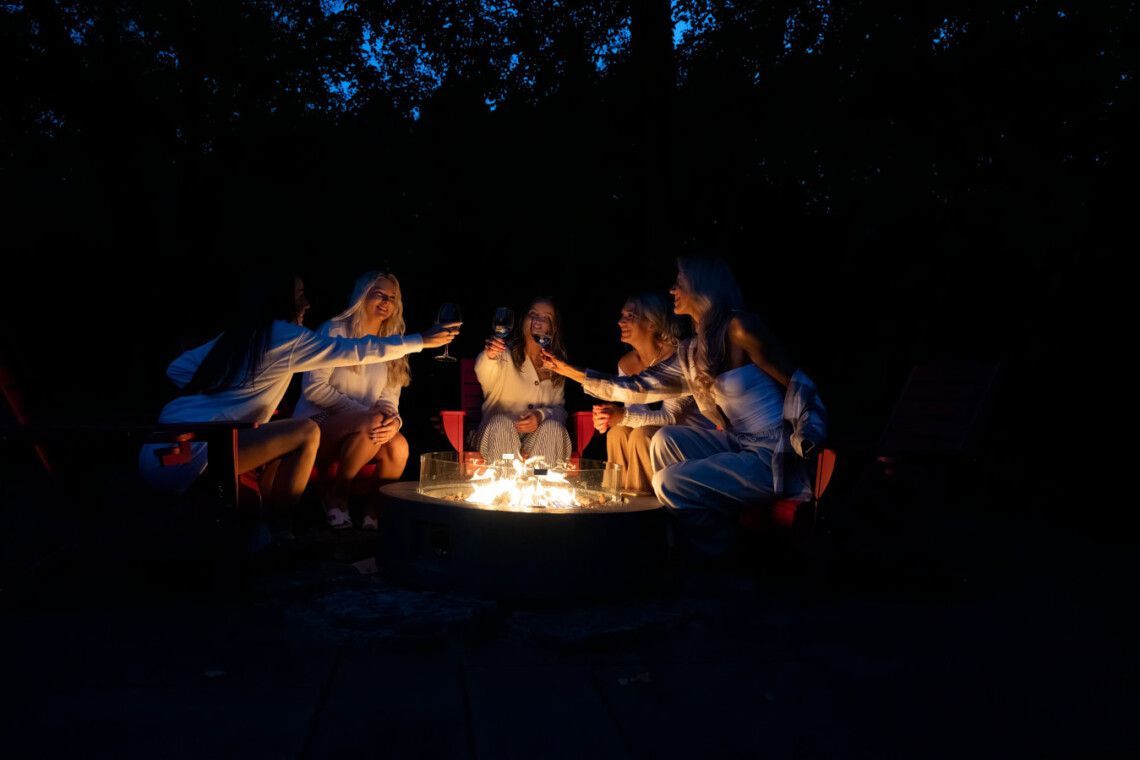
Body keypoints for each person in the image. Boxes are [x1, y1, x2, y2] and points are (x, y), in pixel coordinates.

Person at [541, 256, 826, 560]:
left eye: (679, 282)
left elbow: (799, 383)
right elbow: (639, 387)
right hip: (739, 442)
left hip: (772, 454)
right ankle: (678, 540)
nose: (672, 289)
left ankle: (716, 552)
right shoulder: (694, 351)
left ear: (701, 285)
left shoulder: (741, 328)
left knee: (667, 481)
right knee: (664, 440)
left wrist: (808, 433)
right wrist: (570, 371)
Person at [138, 271, 459, 540]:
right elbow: (354, 351)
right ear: (281, 300)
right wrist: (422, 341)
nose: (307, 303)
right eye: (300, 295)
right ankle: (280, 534)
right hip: (198, 454)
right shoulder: (288, 336)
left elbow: (178, 369)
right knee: (305, 431)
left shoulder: (243, 333)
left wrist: (222, 393)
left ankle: (269, 528)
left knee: (292, 433)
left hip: (163, 448)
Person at [294, 270, 412, 529]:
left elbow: (389, 396)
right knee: (372, 423)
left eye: (392, 298)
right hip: (316, 424)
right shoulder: (334, 330)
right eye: (379, 294)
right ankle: (337, 495)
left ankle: (373, 512)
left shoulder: (392, 342)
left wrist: (393, 422)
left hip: (365, 427)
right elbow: (314, 388)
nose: (386, 302)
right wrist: (363, 414)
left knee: (399, 446)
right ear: (361, 296)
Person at [595, 292, 713, 494]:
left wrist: (622, 416)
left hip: (688, 437)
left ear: (651, 323)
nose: (621, 321)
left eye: (630, 316)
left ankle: (644, 502)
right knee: (617, 433)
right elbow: (636, 413)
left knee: (642, 435)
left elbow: (671, 418)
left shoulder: (677, 358)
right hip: (658, 431)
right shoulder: (626, 363)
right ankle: (614, 498)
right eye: (622, 315)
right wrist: (610, 416)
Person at [475, 297, 571, 466]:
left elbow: (560, 411)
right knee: (501, 424)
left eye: (546, 317)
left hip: (536, 440)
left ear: (554, 327)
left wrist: (541, 416)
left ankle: (541, 478)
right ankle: (504, 478)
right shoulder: (503, 353)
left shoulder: (556, 364)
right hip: (497, 436)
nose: (537, 321)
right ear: (523, 320)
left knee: (553, 428)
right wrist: (490, 356)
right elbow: (485, 373)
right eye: (532, 314)